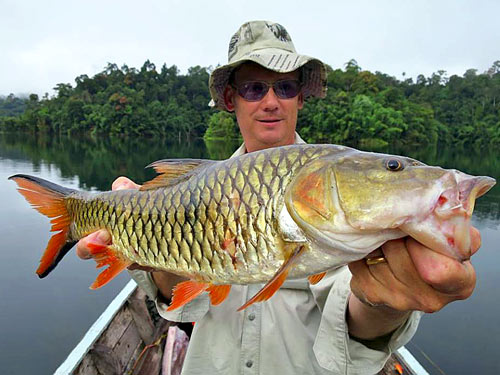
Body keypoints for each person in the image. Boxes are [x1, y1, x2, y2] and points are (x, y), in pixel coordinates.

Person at [76, 21, 480, 374]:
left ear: (300, 97)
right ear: (231, 100)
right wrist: (147, 251)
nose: (270, 101)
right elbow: (184, 306)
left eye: (285, 86)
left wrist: (387, 304)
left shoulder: (347, 217)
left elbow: (355, 318)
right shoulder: (199, 189)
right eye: (254, 88)